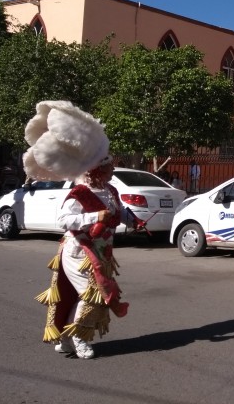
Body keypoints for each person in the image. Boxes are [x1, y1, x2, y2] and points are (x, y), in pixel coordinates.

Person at [27, 101, 145, 360]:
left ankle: (67, 339)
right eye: (110, 165)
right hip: (80, 251)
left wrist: (132, 219)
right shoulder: (80, 193)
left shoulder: (110, 191)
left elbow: (118, 212)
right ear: (98, 170)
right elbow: (64, 220)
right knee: (94, 295)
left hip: (102, 252)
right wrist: (94, 216)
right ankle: (79, 338)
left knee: (90, 295)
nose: (114, 168)